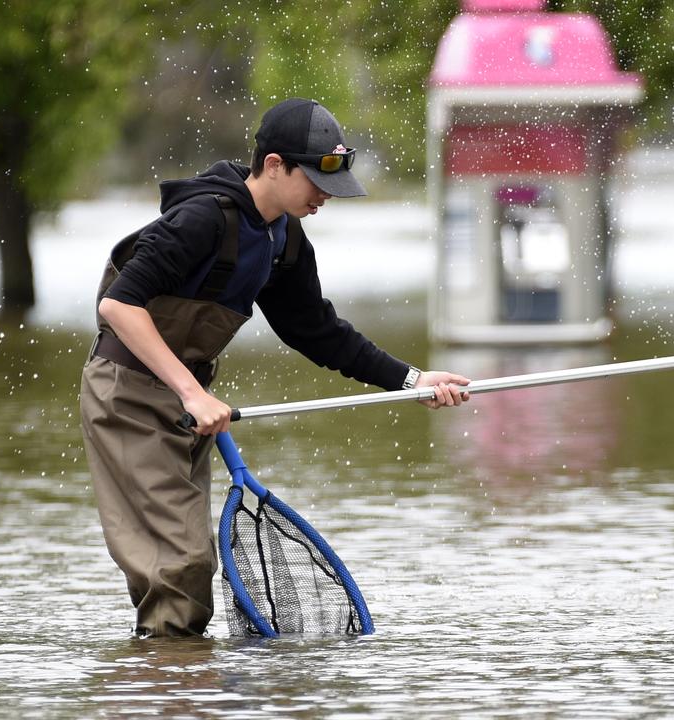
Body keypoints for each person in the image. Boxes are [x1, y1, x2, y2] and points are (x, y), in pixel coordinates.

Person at [79, 97, 470, 638]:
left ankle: (170, 678)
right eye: (314, 180)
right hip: (127, 395)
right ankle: (167, 684)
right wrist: (193, 393)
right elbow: (118, 306)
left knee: (188, 564)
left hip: (187, 403)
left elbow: (317, 330)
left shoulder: (283, 238)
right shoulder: (200, 219)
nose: (325, 196)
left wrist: (411, 380)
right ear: (274, 165)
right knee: (179, 568)